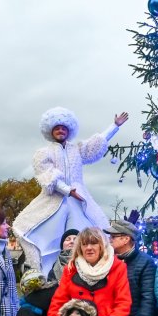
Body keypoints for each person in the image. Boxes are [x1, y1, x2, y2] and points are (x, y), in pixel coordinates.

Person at [13, 108, 128, 274]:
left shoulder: (77, 149)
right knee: (45, 235)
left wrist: (114, 126)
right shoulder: (43, 153)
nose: (60, 130)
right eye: (57, 128)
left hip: (79, 200)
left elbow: (95, 144)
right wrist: (67, 191)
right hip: (54, 199)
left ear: (69, 130)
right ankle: (47, 274)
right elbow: (47, 176)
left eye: (64, 128)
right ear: (50, 130)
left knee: (86, 235)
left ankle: (84, 273)